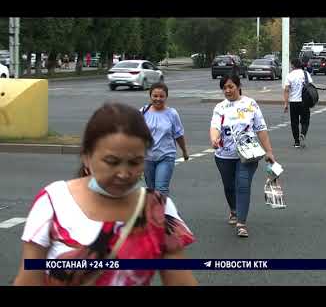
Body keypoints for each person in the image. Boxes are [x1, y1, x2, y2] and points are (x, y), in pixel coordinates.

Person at [13, 103, 197, 286]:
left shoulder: (158, 209)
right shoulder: (53, 202)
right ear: (86, 156)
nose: (124, 173)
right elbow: (28, 280)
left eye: (135, 163)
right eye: (112, 162)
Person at [210, 74, 276, 238]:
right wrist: (214, 139)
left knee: (243, 185)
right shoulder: (220, 107)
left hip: (248, 154)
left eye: (231, 86)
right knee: (229, 187)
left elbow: (261, 129)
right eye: (224, 88)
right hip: (224, 155)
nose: (227, 90)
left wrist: (269, 151)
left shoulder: (250, 104)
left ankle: (241, 222)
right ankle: (233, 209)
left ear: (238, 86)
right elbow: (215, 127)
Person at [141, 82, 189, 196]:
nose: (158, 99)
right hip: (147, 157)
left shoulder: (172, 113)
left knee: (161, 189)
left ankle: (162, 213)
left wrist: (184, 151)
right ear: (150, 96)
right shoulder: (143, 112)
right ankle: (154, 212)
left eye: (161, 96)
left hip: (166, 156)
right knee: (151, 190)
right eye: (155, 96)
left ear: (166, 97)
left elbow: (178, 134)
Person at [283, 58, 313, 148]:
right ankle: (303, 133)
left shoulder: (290, 75)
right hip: (304, 101)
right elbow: (311, 86)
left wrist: (286, 104)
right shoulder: (306, 74)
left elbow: (286, 90)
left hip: (293, 102)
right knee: (305, 120)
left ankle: (296, 142)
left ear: (293, 65)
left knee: (294, 122)